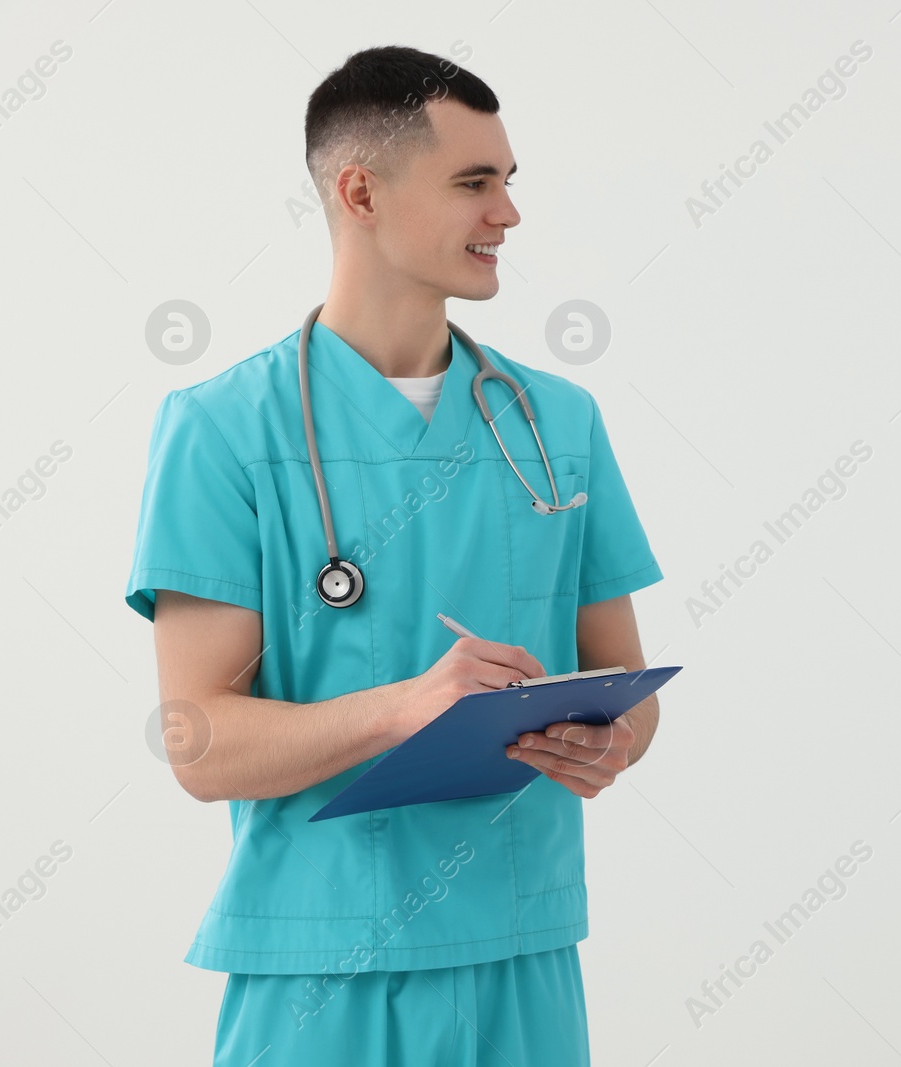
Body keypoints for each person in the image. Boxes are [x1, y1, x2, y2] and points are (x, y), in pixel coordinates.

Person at [124, 45, 663, 1065]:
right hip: (320, 972)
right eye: (474, 182)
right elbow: (201, 742)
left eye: (508, 182)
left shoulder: (557, 422)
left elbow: (628, 690)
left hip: (524, 952)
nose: (507, 213)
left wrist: (614, 735)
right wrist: (406, 707)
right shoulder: (223, 431)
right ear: (360, 190)